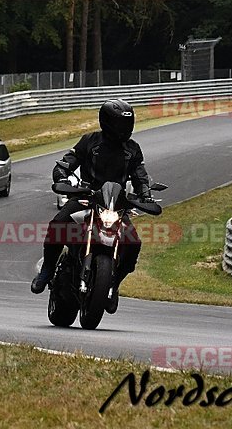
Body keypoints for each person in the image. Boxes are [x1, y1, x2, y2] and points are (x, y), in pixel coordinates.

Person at [30, 98, 151, 313]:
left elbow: (140, 176)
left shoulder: (133, 149)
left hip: (116, 204)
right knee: (59, 222)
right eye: (121, 125)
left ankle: (114, 283)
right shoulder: (90, 141)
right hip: (87, 196)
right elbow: (67, 162)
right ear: (107, 123)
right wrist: (62, 177)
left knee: (133, 243)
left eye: (128, 124)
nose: (125, 129)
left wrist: (146, 194)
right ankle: (47, 268)